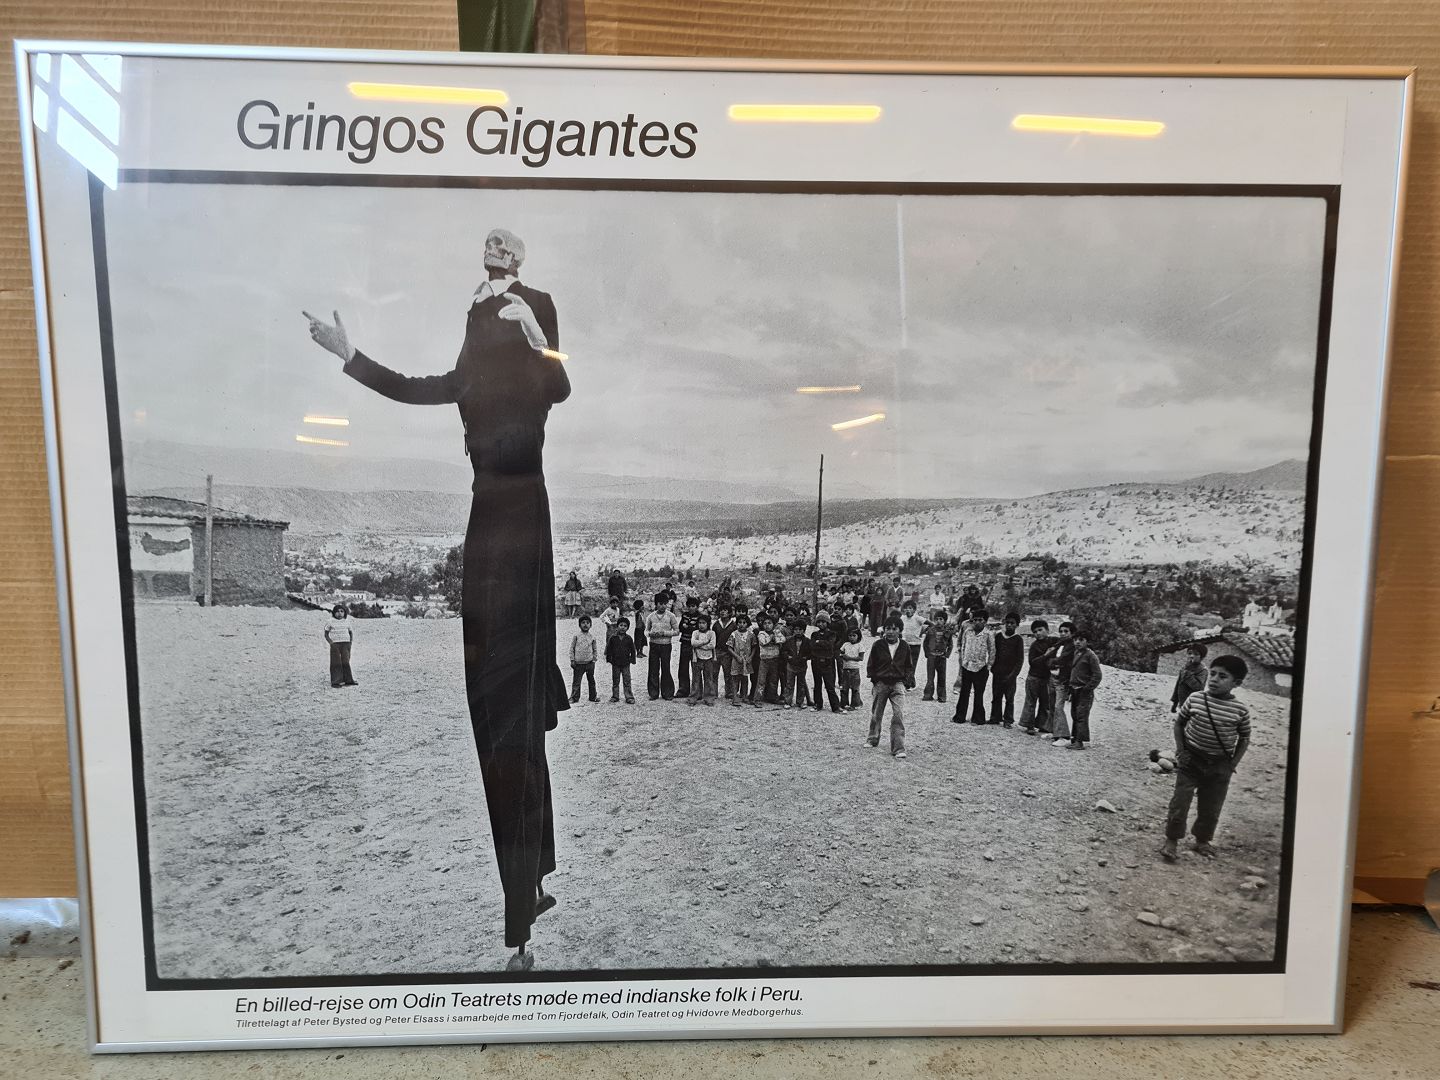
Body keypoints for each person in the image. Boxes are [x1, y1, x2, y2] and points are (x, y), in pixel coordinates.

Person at [304, 226, 567, 972]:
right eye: (487, 303)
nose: (495, 280)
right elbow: (420, 387)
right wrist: (350, 356)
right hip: (487, 524)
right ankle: (527, 885)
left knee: (515, 708)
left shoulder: (536, 341)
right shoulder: (472, 368)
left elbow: (560, 388)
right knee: (493, 706)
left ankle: (526, 894)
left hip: (524, 519)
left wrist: (541, 336)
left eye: (505, 276)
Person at [1161, 655, 1251, 862]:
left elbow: (1245, 737)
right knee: (1180, 802)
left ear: (1236, 683)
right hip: (1191, 760)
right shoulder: (1196, 699)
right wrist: (1181, 751)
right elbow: (1179, 724)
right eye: (1213, 673)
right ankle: (1172, 840)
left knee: (1211, 806)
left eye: (1223, 676)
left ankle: (1202, 840)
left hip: (1220, 765)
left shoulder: (1240, 710)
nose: (1214, 679)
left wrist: (1232, 764)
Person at [866, 617, 911, 759]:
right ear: (884, 630)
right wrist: (875, 680)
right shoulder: (878, 645)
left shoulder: (904, 646)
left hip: (897, 683)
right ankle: (872, 738)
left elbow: (909, 665)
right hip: (881, 683)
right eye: (888, 628)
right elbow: (871, 664)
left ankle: (898, 748)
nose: (890, 632)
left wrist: (905, 681)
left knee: (898, 714)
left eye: (894, 629)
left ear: (900, 631)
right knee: (876, 713)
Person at [953, 609, 994, 725]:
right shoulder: (967, 632)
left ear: (985, 621)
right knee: (964, 692)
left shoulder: (988, 634)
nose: (977, 622)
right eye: (975, 620)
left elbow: (992, 651)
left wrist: (989, 665)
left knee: (978, 693)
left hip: (981, 667)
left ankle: (978, 718)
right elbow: (963, 646)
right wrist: (963, 662)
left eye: (980, 620)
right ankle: (959, 717)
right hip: (967, 666)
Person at [1064, 628, 1103, 748]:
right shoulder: (1076, 653)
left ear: (1087, 641)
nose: (1077, 642)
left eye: (1081, 640)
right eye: (1075, 639)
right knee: (1074, 714)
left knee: (1082, 715)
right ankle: (1074, 738)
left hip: (1084, 691)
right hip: (1074, 689)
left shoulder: (1091, 656)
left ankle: (1079, 742)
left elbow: (1097, 675)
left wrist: (1087, 688)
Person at [1018, 619, 1053, 735]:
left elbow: (1063, 642)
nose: (1038, 633)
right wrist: (1045, 656)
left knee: (1045, 702)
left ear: (1047, 630)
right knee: (1031, 701)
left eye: (1040, 630)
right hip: (1034, 677)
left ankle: (1043, 725)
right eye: (1035, 632)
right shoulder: (1034, 646)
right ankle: (1029, 725)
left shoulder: (1052, 641)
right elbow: (1032, 662)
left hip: (1046, 677)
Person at [989, 612, 1024, 727]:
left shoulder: (1018, 639)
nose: (1009, 625)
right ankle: (995, 717)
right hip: (998, 672)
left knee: (1009, 698)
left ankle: (1008, 720)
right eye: (1007, 622)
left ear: (1017, 625)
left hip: (1010, 674)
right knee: (996, 695)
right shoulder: (999, 636)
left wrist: (1014, 674)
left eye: (1012, 623)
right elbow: (993, 653)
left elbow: (1020, 659)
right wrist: (993, 668)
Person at [1046, 622, 1076, 744]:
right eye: (1061, 631)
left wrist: (1052, 661)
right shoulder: (1059, 644)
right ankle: (1054, 731)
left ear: (1072, 633)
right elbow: (1049, 657)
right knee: (1051, 704)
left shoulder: (1072, 646)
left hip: (1062, 680)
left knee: (1059, 707)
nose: (1063, 633)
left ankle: (1063, 736)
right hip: (1053, 677)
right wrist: (1052, 661)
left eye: (1066, 631)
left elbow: (1062, 660)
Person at [645, 593, 679, 700]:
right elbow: (646, 631)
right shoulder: (651, 616)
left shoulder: (671, 616)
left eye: (665, 604)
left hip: (666, 646)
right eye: (660, 603)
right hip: (654, 645)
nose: (663, 606)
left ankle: (667, 693)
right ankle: (653, 693)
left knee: (666, 668)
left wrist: (664, 633)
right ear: (656, 604)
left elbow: (677, 631)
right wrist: (650, 634)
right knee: (653, 669)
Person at [808, 617, 843, 713]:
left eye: (823, 622)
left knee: (830, 685)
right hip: (816, 661)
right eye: (819, 622)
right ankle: (818, 704)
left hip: (828, 662)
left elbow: (830, 645)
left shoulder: (832, 634)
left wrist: (818, 642)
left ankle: (835, 706)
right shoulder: (814, 634)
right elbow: (812, 646)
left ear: (827, 622)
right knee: (817, 684)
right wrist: (822, 644)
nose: (821, 624)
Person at [921, 611, 954, 703]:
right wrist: (927, 654)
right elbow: (925, 643)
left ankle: (941, 696)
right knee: (930, 677)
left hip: (942, 657)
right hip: (931, 657)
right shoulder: (930, 631)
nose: (938, 621)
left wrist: (946, 655)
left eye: (941, 619)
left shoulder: (947, 632)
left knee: (942, 678)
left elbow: (950, 645)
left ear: (945, 621)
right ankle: (928, 695)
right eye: (936, 619)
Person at [324, 603, 358, 688]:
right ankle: (335, 682)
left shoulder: (347, 621)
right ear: (334, 613)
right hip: (335, 644)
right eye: (337, 611)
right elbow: (326, 634)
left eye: (342, 611)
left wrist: (350, 642)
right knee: (336, 662)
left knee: (346, 662)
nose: (339, 613)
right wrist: (331, 643)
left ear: (344, 613)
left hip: (346, 644)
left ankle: (348, 680)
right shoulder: (330, 621)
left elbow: (350, 632)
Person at [780, 619, 812, 709]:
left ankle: (800, 701)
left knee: (801, 684)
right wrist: (788, 657)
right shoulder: (789, 640)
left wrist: (805, 657)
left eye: (800, 629)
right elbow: (783, 651)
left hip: (802, 665)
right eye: (796, 629)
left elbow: (810, 652)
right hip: (791, 665)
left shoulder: (807, 641)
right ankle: (788, 701)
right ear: (793, 630)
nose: (798, 632)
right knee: (789, 684)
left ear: (804, 630)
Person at [688, 613, 718, 706]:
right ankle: (694, 697)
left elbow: (712, 645)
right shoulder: (695, 633)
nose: (701, 625)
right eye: (700, 623)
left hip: (708, 658)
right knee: (696, 679)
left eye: (704, 623)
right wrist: (705, 642)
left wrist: (700, 645)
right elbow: (693, 642)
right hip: (697, 658)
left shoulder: (712, 633)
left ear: (708, 624)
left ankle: (709, 698)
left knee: (709, 678)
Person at [568, 615, 599, 704]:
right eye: (583, 623)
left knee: (591, 681)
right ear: (579, 625)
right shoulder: (576, 636)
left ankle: (593, 697)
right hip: (578, 664)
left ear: (590, 625)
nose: (585, 624)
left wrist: (594, 660)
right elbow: (572, 648)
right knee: (576, 681)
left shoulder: (592, 637)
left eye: (588, 623)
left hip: (589, 663)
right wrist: (572, 660)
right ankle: (574, 697)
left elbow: (595, 650)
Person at [605, 617, 637, 704]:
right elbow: (609, 649)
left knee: (627, 680)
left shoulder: (629, 638)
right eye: (621, 625)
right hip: (615, 663)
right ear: (617, 626)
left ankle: (629, 697)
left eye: (625, 626)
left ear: (627, 628)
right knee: (615, 680)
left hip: (626, 663)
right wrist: (609, 659)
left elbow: (633, 650)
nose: (623, 627)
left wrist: (632, 659)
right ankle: (615, 696)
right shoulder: (613, 638)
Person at [1170, 643, 1209, 713]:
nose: (1191, 656)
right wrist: (1175, 703)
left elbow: (1198, 687)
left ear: (1202, 657)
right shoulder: (1185, 668)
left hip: (1194, 704)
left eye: (1196, 654)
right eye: (1189, 653)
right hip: (1183, 703)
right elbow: (1178, 685)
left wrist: (1188, 674)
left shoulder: (1203, 670)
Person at [677, 596, 702, 699]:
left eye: (693, 606)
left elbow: (699, 630)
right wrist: (689, 628)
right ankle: (683, 690)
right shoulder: (685, 615)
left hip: (695, 645)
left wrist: (688, 628)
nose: (691, 608)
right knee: (683, 667)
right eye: (689, 606)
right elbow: (680, 627)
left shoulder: (700, 617)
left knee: (696, 668)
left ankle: (697, 691)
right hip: (685, 643)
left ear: (697, 607)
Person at [728, 613, 756, 706]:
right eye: (739, 622)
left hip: (746, 660)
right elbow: (729, 647)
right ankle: (735, 697)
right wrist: (736, 657)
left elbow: (754, 647)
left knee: (745, 678)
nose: (741, 624)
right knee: (735, 678)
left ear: (747, 624)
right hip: (736, 660)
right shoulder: (734, 634)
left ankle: (744, 696)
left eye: (744, 622)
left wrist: (751, 657)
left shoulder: (751, 635)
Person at [899, 600, 927, 690]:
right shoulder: (902, 618)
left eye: (910, 608)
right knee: (904, 664)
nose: (908, 610)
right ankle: (910, 682)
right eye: (906, 608)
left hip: (915, 644)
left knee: (912, 664)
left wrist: (922, 632)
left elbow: (930, 624)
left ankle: (909, 684)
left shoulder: (918, 618)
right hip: (905, 644)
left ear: (914, 610)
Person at [712, 604, 737, 702]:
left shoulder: (733, 625)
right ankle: (713, 692)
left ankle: (729, 693)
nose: (722, 612)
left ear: (730, 613)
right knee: (714, 673)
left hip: (728, 653)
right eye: (721, 610)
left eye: (725, 610)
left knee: (728, 673)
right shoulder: (716, 624)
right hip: (717, 651)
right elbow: (713, 638)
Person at [756, 615, 783, 706]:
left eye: (769, 623)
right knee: (761, 681)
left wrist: (776, 638)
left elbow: (782, 639)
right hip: (764, 660)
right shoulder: (761, 633)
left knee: (773, 680)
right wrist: (771, 638)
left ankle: (772, 697)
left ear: (773, 624)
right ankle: (758, 699)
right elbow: (763, 642)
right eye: (765, 623)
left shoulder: (777, 632)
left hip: (775, 659)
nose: (767, 625)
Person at [839, 627, 866, 711]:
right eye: (850, 635)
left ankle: (855, 704)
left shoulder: (860, 646)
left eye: (854, 636)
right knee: (844, 687)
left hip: (854, 669)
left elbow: (860, 658)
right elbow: (841, 653)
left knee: (855, 688)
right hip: (845, 669)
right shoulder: (845, 644)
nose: (852, 637)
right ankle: (844, 703)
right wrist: (842, 656)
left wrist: (849, 658)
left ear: (858, 636)